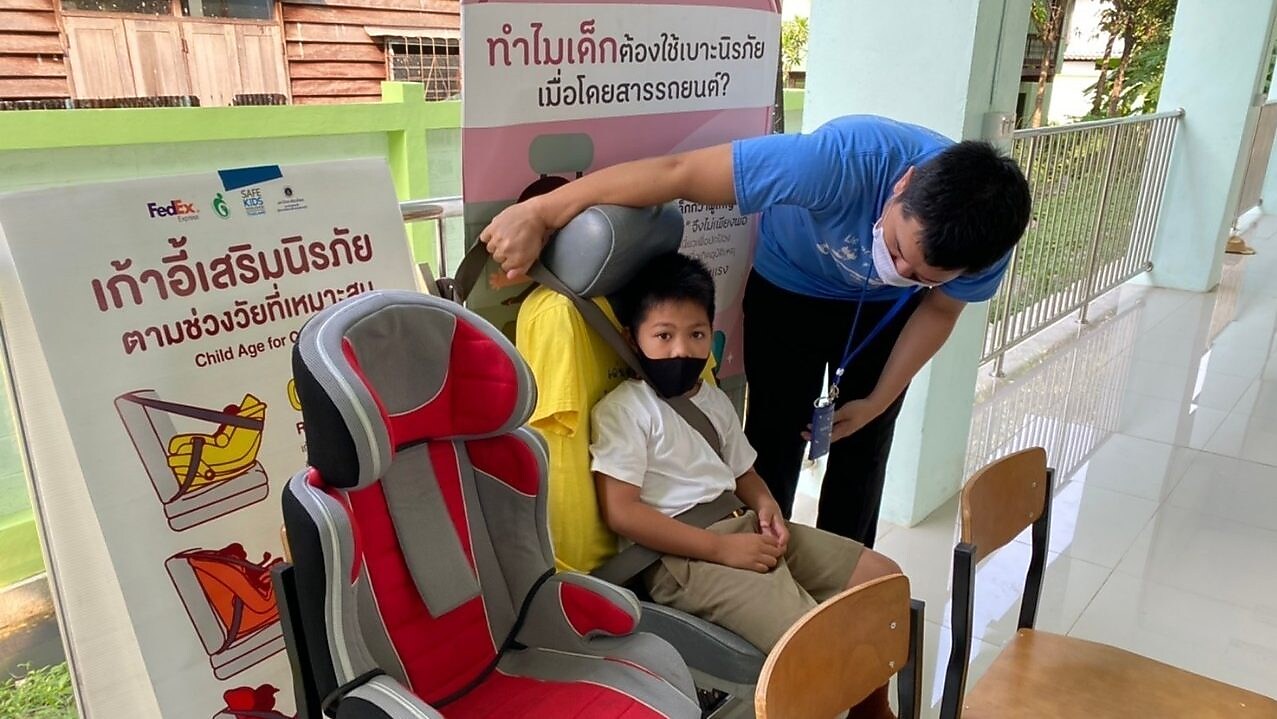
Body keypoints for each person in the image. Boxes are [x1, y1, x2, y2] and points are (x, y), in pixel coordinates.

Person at [481, 114, 1032, 547]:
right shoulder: (839, 162)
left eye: (923, 275)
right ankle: (766, 557)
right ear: (901, 185)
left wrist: (880, 399)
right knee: (771, 437)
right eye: (895, 250)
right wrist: (545, 213)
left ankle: (845, 594)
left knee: (864, 446)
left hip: (885, 317)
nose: (902, 272)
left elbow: (937, 313)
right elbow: (679, 175)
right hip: (791, 290)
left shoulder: (983, 247)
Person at [591, 251, 901, 718]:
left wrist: (767, 506)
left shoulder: (711, 398)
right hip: (684, 556)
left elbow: (745, 474)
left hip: (744, 526)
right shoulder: (624, 410)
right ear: (631, 339)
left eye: (696, 334)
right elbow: (622, 512)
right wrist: (721, 551)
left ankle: (871, 710)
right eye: (663, 336)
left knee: (883, 579)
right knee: (812, 639)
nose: (681, 350)